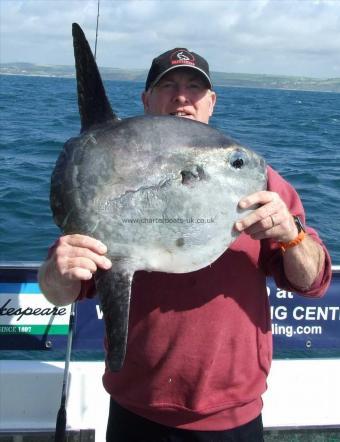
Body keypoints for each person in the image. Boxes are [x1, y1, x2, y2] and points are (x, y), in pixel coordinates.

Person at [39, 48, 331, 441]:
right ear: (146, 101)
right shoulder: (108, 176)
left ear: (211, 103)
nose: (182, 97)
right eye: (169, 86)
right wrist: (57, 270)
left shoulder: (260, 181)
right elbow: (62, 291)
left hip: (234, 413)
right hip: (135, 407)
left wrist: (291, 235)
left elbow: (314, 283)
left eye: (195, 88)